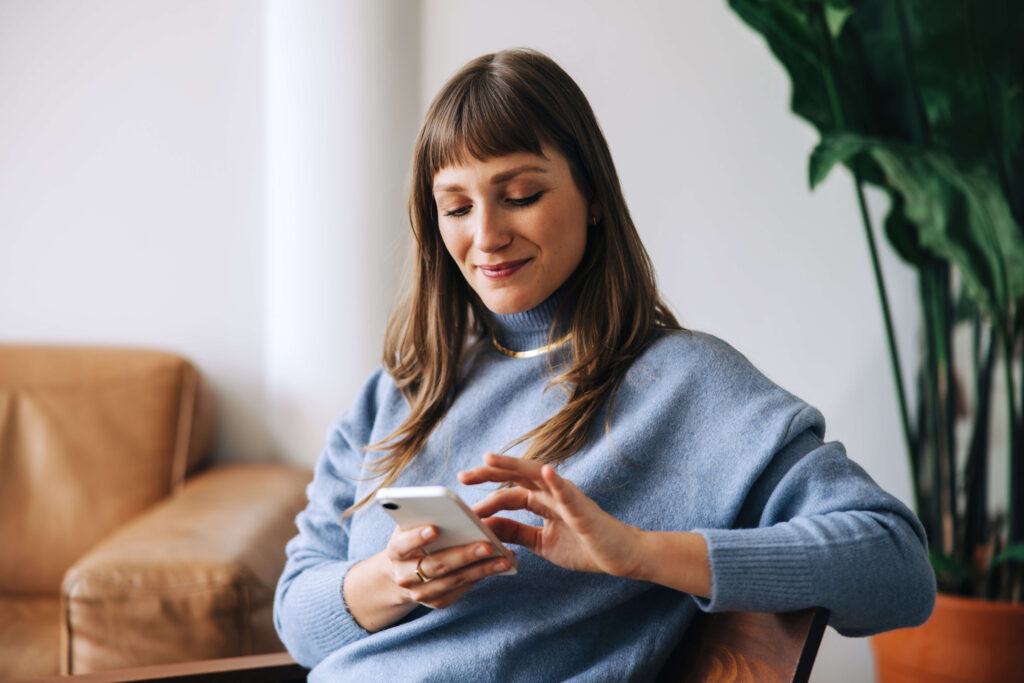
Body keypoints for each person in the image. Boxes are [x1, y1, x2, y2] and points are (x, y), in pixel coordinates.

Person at [273, 48, 935, 681]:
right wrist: (391, 578)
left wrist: (642, 553)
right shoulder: (400, 391)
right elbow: (297, 617)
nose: (487, 234)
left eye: (522, 194)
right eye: (456, 206)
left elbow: (897, 566)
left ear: (592, 196)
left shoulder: (684, 384)